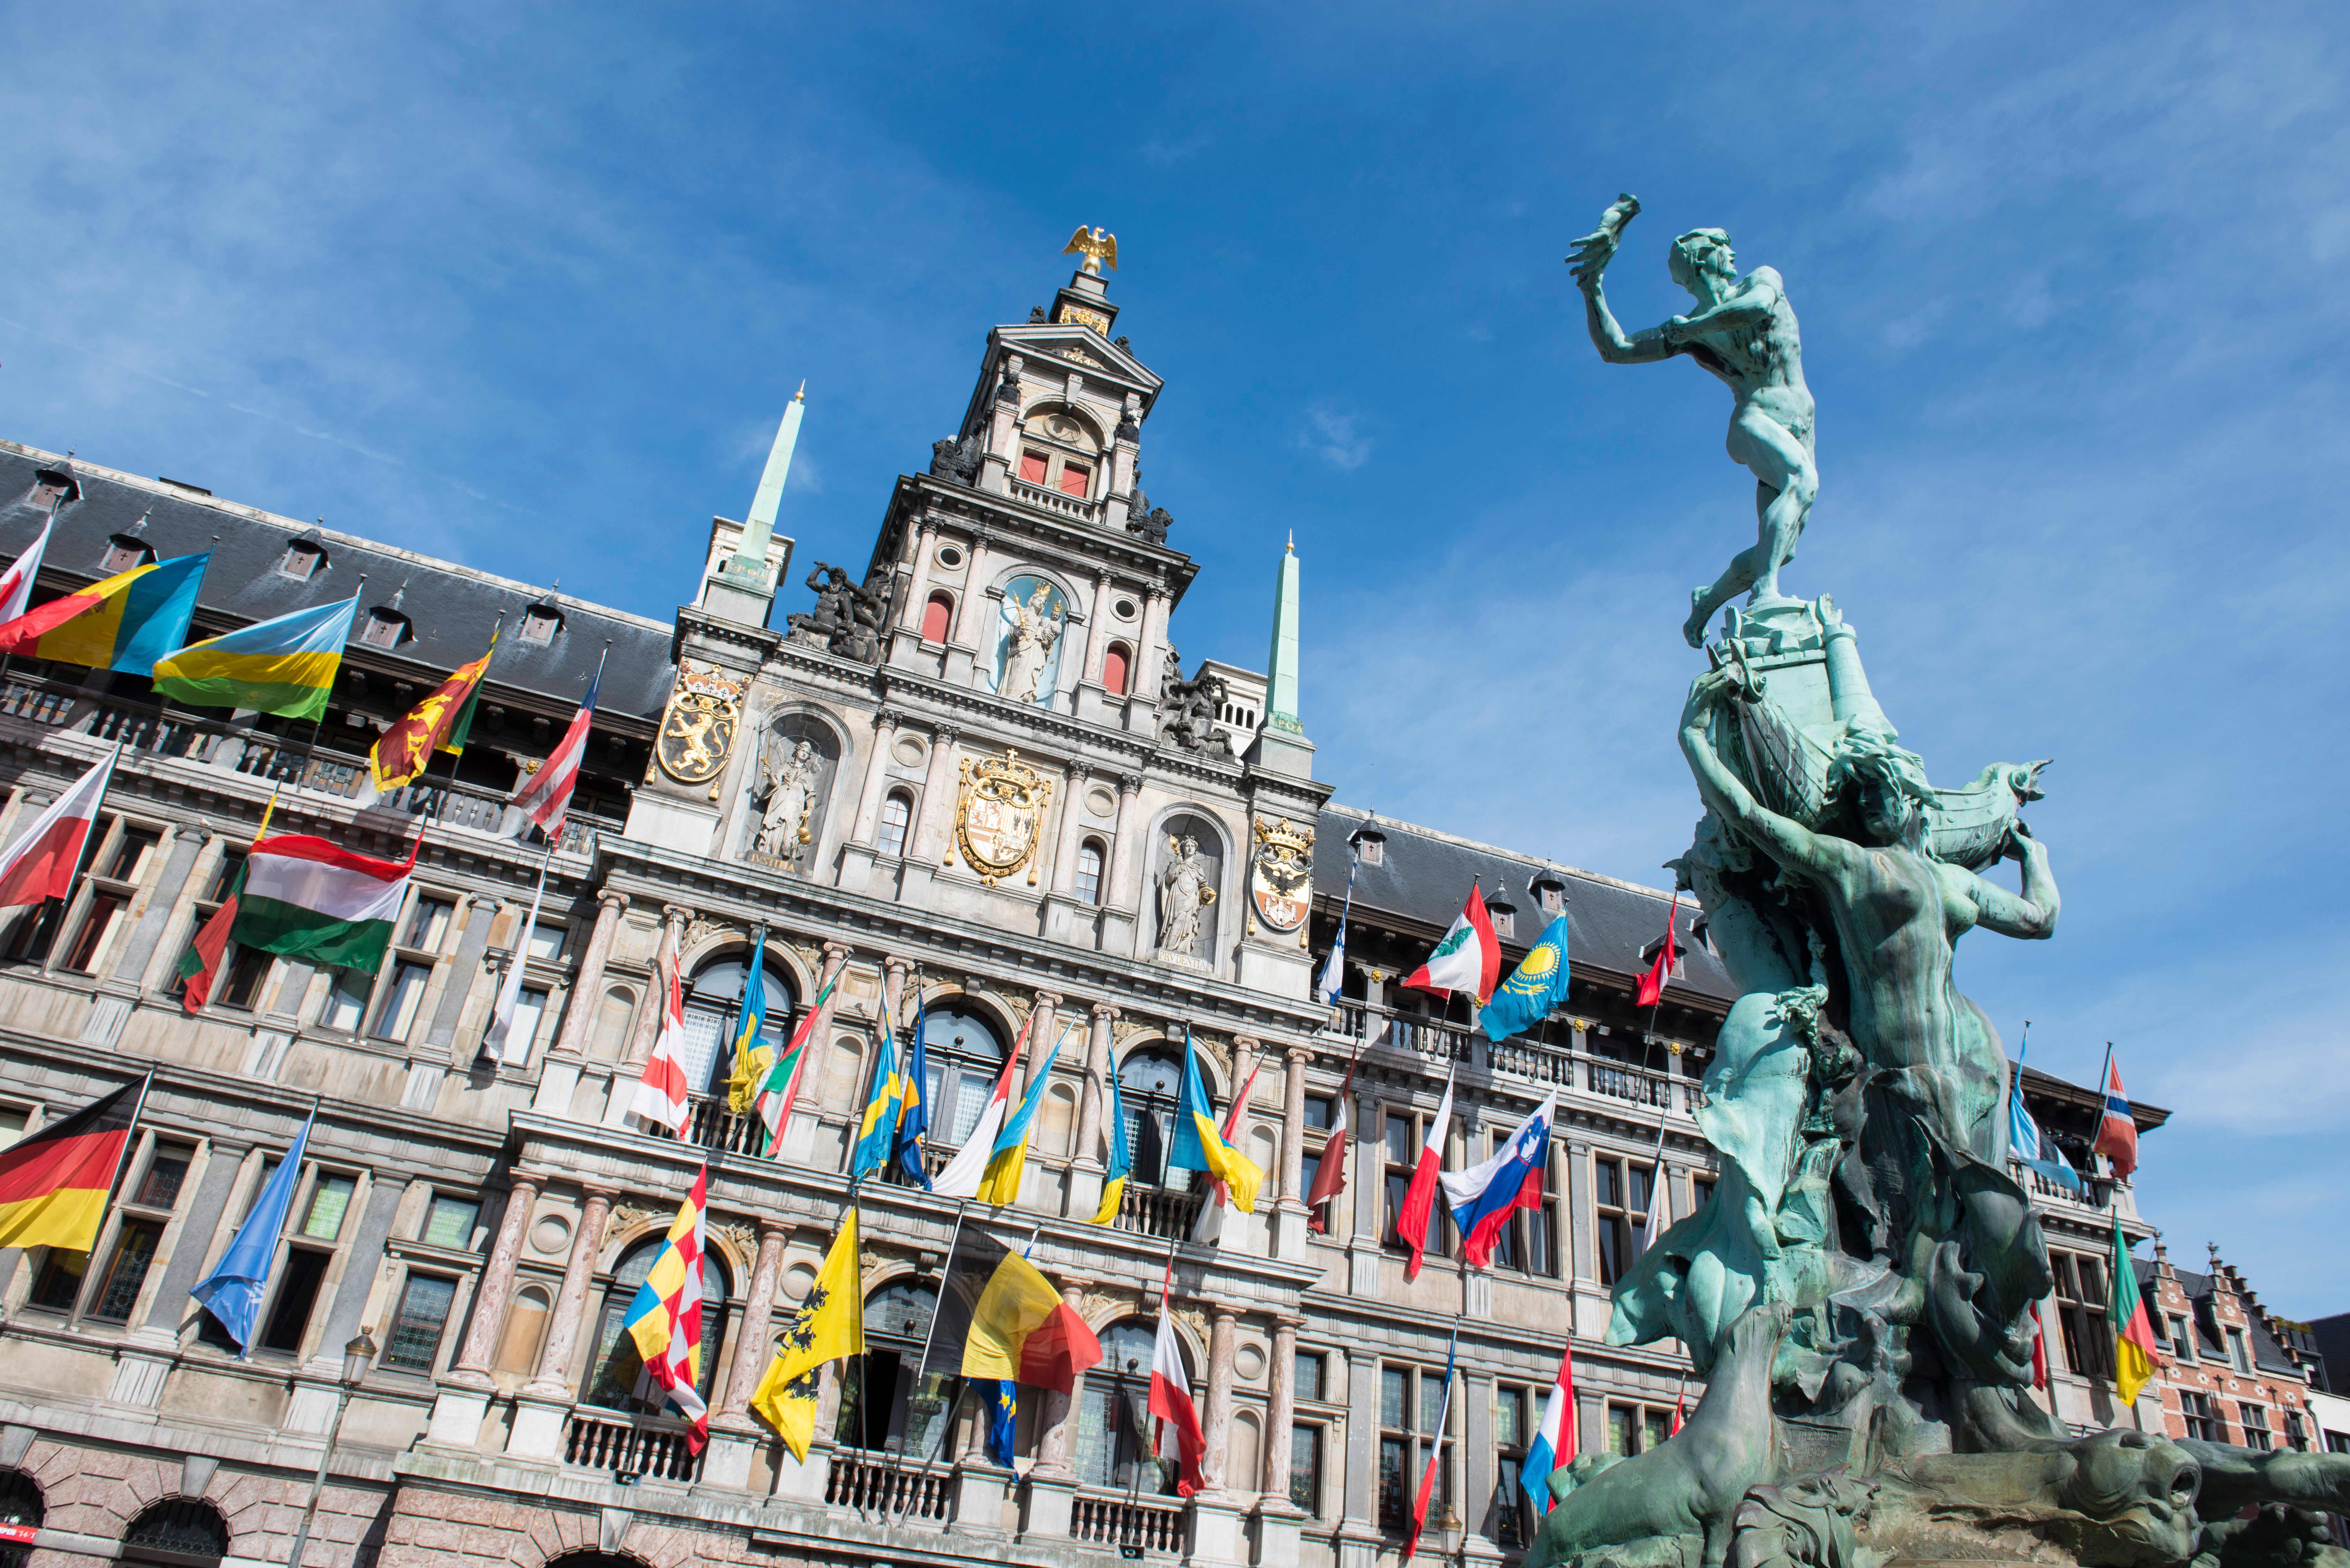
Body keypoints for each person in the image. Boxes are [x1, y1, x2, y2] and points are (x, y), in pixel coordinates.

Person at [1569, 197, 1818, 647]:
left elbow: (1756, 307)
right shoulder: (1689, 330)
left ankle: (1707, 600)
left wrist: (1690, 329)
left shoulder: (1760, 281)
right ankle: (1765, 594)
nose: (1732, 253)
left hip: (1799, 420)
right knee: (1801, 482)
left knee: (1782, 549)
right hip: (1754, 418)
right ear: (1701, 259)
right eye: (1722, 248)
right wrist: (1593, 288)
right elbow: (1616, 349)